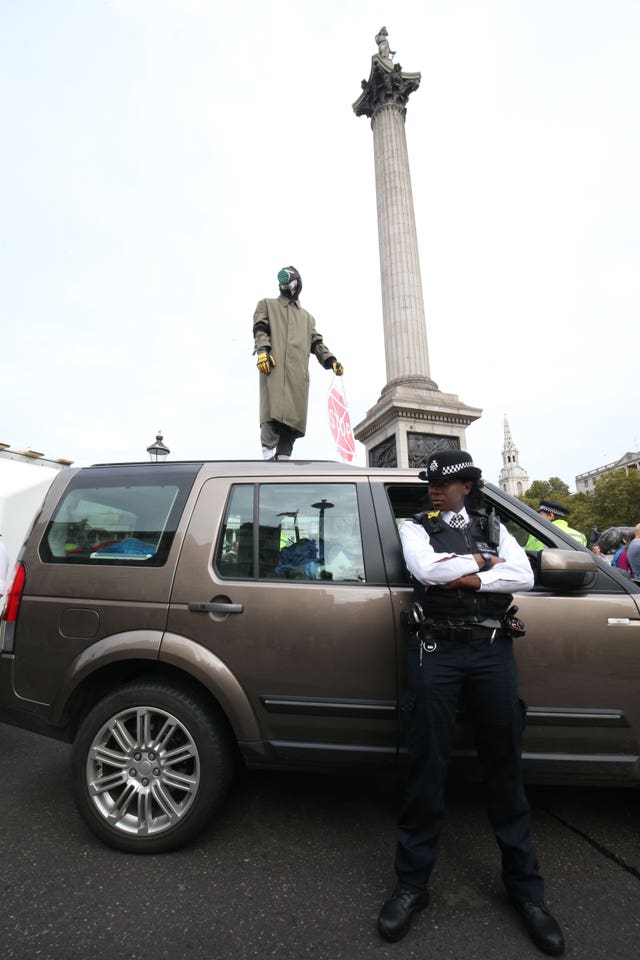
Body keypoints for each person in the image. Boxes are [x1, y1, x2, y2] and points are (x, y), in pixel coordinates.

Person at [378, 451, 565, 957]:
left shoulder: (494, 524)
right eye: (433, 484)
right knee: (426, 767)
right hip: (435, 650)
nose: (435, 490)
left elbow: (523, 576)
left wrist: (465, 573)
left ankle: (527, 894)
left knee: (505, 767)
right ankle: (412, 886)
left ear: (469, 485)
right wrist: (485, 564)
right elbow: (424, 569)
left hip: (490, 652)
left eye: (447, 483)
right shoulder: (416, 526)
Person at [252, 266, 343, 461]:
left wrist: (331, 360)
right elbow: (260, 329)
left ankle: (283, 462)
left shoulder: (307, 319)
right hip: (274, 371)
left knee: (291, 425)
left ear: (297, 285)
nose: (287, 289)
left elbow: (317, 343)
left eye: (291, 284)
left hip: (297, 377)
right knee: (271, 417)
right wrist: (262, 352)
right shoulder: (267, 305)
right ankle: (266, 460)